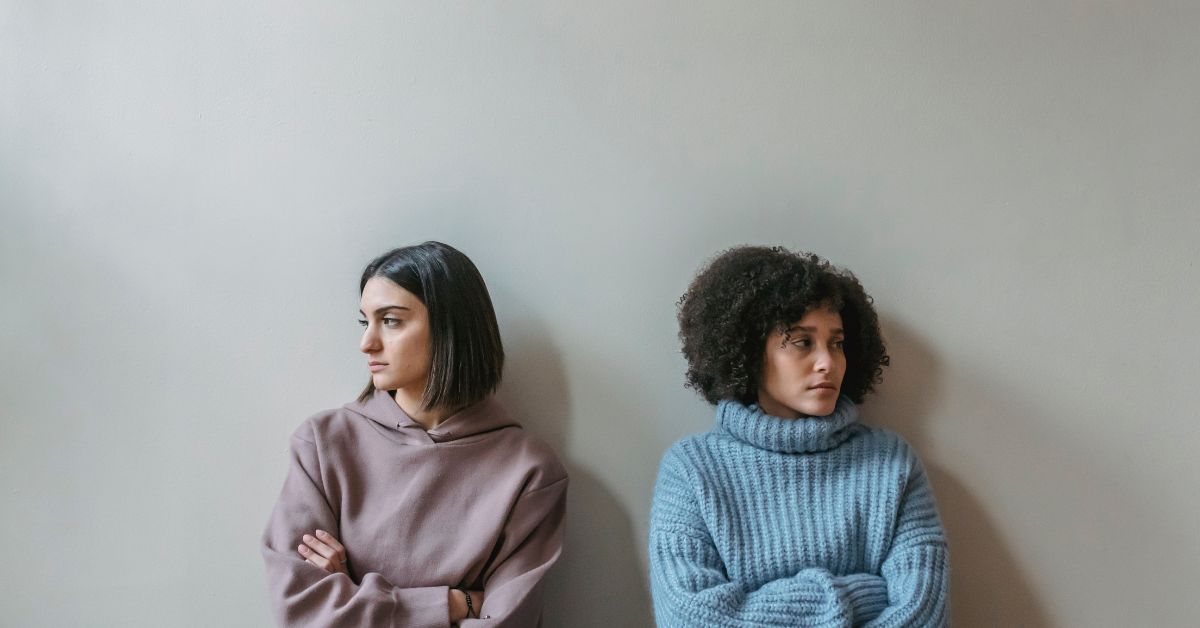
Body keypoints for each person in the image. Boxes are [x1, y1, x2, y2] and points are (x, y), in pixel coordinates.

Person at [261, 241, 568, 627]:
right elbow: (302, 611)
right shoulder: (322, 445)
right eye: (365, 321)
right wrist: (455, 605)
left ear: (450, 327)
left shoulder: (529, 472)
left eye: (390, 320)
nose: (366, 342)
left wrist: (353, 592)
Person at [649, 246, 949, 627]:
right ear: (749, 351)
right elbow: (690, 618)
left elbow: (924, 616)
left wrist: (759, 605)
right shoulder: (691, 469)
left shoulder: (891, 463)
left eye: (836, 343)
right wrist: (863, 594)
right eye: (802, 342)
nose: (828, 362)